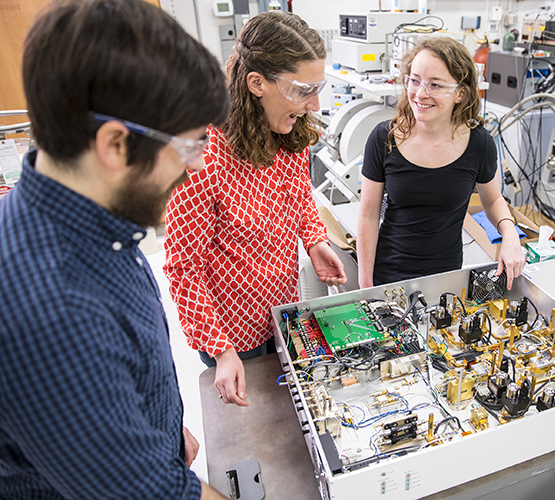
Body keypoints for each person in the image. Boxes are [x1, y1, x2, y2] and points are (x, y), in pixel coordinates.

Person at [0, 0, 230, 498]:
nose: (195, 169)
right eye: (189, 146)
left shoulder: (92, 215)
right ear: (115, 144)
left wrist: (157, 429)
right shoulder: (55, 310)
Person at [164, 11, 347, 407]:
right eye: (303, 89)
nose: (314, 103)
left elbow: (297, 194)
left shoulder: (289, 131)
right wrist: (220, 349)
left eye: (319, 88)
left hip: (282, 314)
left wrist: (314, 240)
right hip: (230, 337)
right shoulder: (201, 158)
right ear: (256, 83)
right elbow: (183, 270)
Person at [357, 36, 526, 288]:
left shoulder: (479, 144)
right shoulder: (385, 138)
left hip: (446, 277)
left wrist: (510, 233)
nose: (420, 94)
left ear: (460, 93)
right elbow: (369, 215)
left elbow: (492, 200)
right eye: (414, 80)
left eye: (435, 85)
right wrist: (366, 284)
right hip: (388, 274)